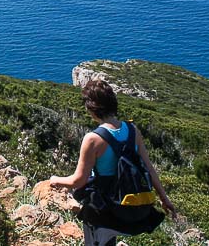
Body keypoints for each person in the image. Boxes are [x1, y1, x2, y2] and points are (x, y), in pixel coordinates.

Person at [48, 79, 177, 246]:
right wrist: (164, 199)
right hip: (132, 205)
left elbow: (77, 181)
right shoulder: (133, 130)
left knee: (94, 227)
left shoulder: (93, 139)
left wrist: (55, 179)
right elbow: (149, 169)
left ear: (91, 108)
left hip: (106, 207)